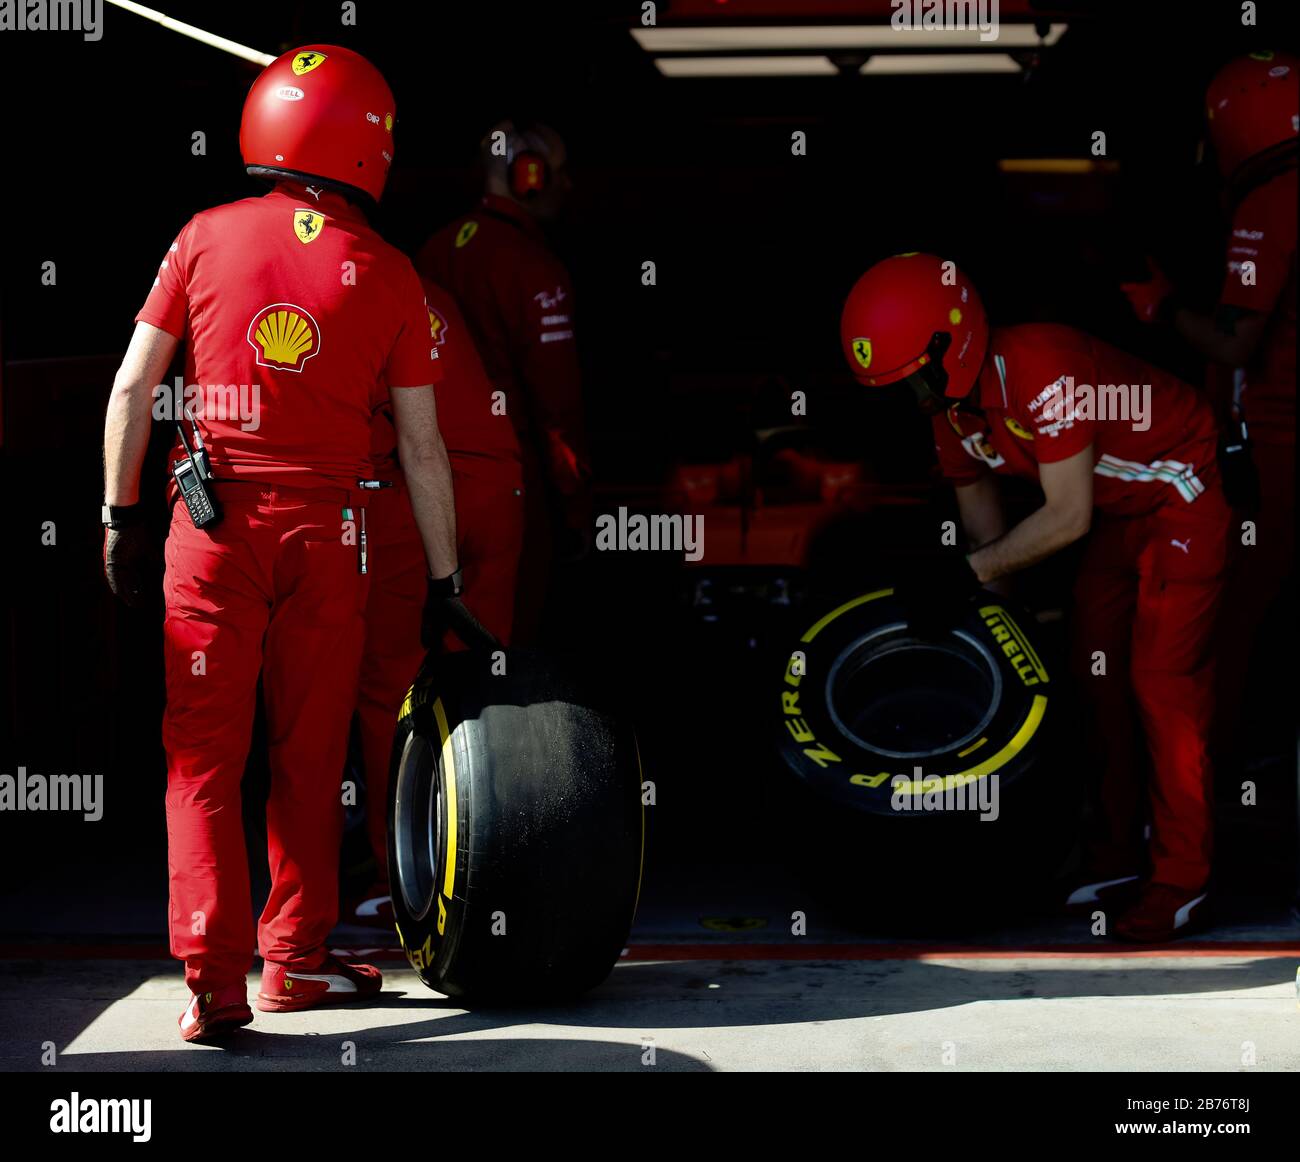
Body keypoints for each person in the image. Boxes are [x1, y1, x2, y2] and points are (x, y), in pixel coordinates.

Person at [101, 45, 463, 1042]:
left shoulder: (202, 236)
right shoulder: (393, 277)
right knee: (308, 756)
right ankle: (295, 963)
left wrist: (118, 516)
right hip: (331, 535)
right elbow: (424, 450)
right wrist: (444, 575)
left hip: (210, 530)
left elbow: (134, 388)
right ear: (367, 147)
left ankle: (210, 980)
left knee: (202, 759)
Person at [841, 252, 1232, 941]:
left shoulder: (1039, 364)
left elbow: (1065, 517)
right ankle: (1115, 855)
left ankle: (1182, 881)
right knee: (1092, 675)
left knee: (1161, 684)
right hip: (1122, 512)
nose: (913, 396)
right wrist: (967, 618)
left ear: (950, 342)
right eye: (897, 386)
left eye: (914, 377)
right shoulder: (949, 412)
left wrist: (964, 574)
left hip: (1182, 488)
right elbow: (990, 549)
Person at [1120, 50, 1297, 763]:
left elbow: (1233, 341)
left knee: (1231, 613)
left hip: (1280, 451)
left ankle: (1205, 782)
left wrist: (1160, 308)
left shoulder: (1270, 201)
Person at [349, 276, 523, 924]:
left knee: (387, 689)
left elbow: (365, 431)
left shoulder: (354, 294)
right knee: (483, 687)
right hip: (500, 488)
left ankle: (401, 876)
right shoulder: (436, 291)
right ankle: (490, 869)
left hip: (421, 489)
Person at [416, 119, 590, 643]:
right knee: (503, 641)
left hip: (424, 471)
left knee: (430, 635)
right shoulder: (534, 267)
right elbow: (557, 408)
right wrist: (577, 504)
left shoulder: (432, 252)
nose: (568, 186)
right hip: (511, 482)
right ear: (529, 176)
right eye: (557, 173)